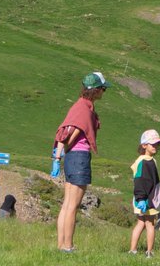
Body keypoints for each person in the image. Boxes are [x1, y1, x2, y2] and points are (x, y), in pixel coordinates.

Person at [53, 69, 111, 252]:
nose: (104, 92)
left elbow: (66, 130)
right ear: (96, 90)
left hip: (71, 158)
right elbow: (77, 128)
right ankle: (68, 246)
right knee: (73, 206)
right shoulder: (84, 109)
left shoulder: (78, 105)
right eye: (103, 89)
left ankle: (61, 245)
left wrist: (59, 155)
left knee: (66, 204)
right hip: (79, 157)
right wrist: (68, 147)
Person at [130, 128, 160, 256]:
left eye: (157, 144)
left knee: (141, 222)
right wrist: (141, 199)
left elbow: (153, 180)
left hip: (146, 197)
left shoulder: (151, 160)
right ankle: (149, 251)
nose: (156, 146)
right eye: (153, 144)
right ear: (144, 145)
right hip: (146, 199)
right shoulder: (143, 161)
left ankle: (133, 250)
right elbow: (139, 181)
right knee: (150, 223)